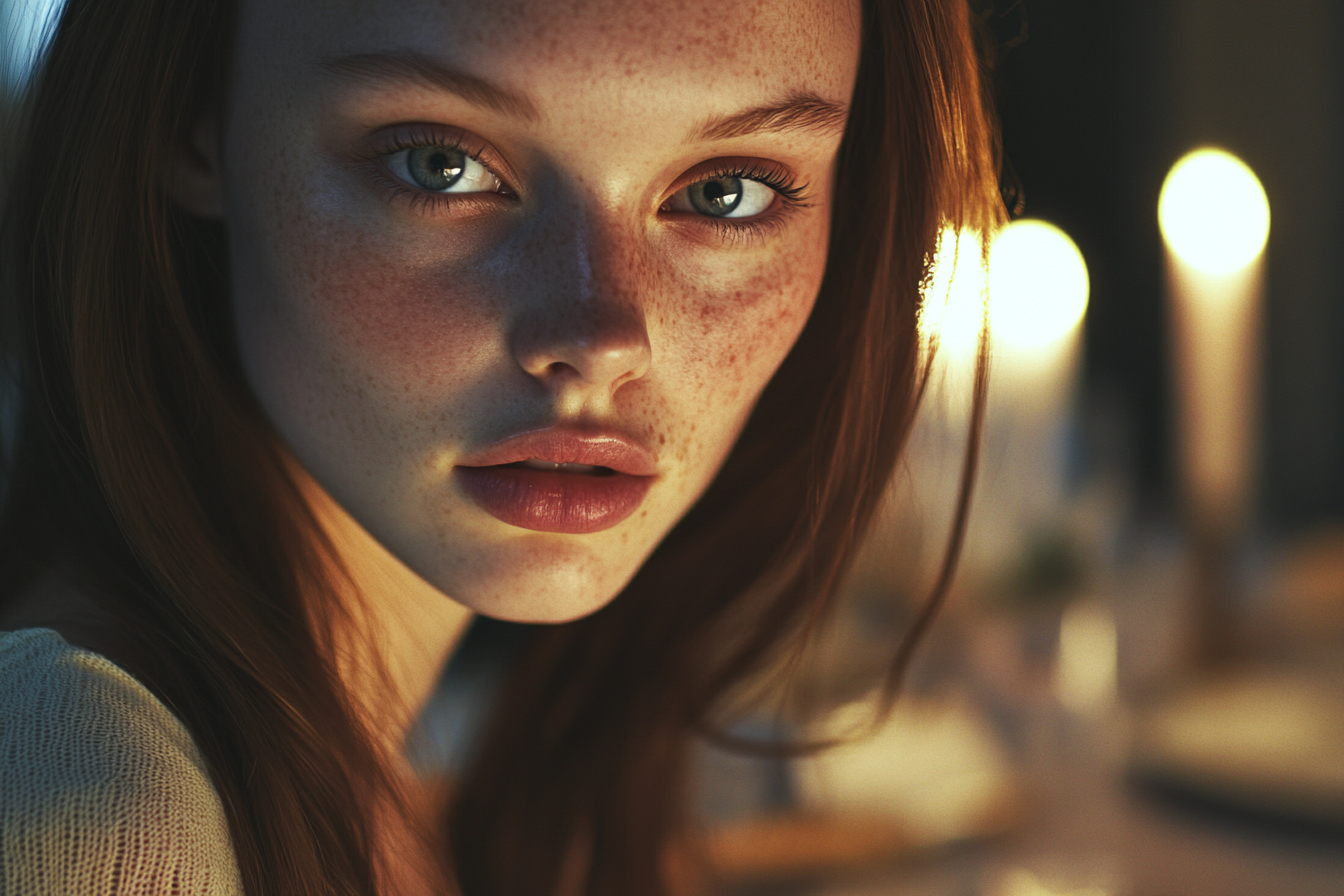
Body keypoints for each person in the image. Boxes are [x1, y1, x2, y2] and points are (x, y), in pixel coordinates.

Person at [0, 0, 1001, 893]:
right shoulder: (95, 814)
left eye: (725, 192)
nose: (601, 340)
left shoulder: (389, 780)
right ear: (194, 120)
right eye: (442, 163)